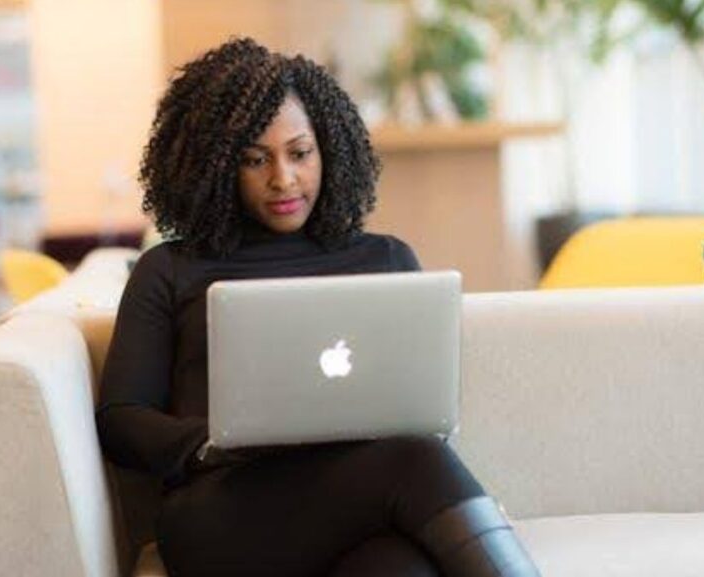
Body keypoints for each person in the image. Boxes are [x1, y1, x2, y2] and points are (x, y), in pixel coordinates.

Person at [96, 37, 540, 577]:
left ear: (329, 149)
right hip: (222, 515)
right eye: (255, 160)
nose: (283, 178)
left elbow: (419, 401)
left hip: (362, 502)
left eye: (300, 153)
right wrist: (210, 444)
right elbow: (121, 419)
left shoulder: (388, 259)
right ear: (214, 169)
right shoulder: (170, 269)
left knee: (399, 567)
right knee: (415, 463)